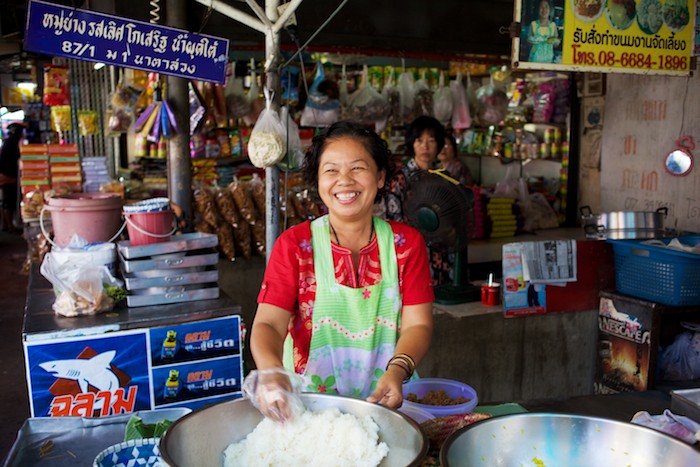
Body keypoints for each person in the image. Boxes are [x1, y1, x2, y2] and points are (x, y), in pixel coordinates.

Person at [249, 120, 434, 421]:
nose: (344, 181)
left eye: (358, 168)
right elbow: (268, 324)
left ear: (380, 176)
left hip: (388, 402)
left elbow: (418, 326)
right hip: (309, 410)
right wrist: (271, 371)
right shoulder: (295, 245)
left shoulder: (406, 244)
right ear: (318, 180)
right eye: (331, 170)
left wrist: (398, 370)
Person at [384, 115, 445, 222]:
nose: (425, 147)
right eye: (419, 141)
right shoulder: (399, 178)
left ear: (438, 144)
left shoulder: (442, 177)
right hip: (407, 237)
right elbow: (394, 218)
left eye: (431, 141)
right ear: (412, 143)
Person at [0, 123, 23, 233]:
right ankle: (9, 226)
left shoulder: (8, 143)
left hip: (7, 175)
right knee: (8, 201)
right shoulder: (11, 144)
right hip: (7, 176)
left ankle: (6, 225)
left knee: (6, 200)